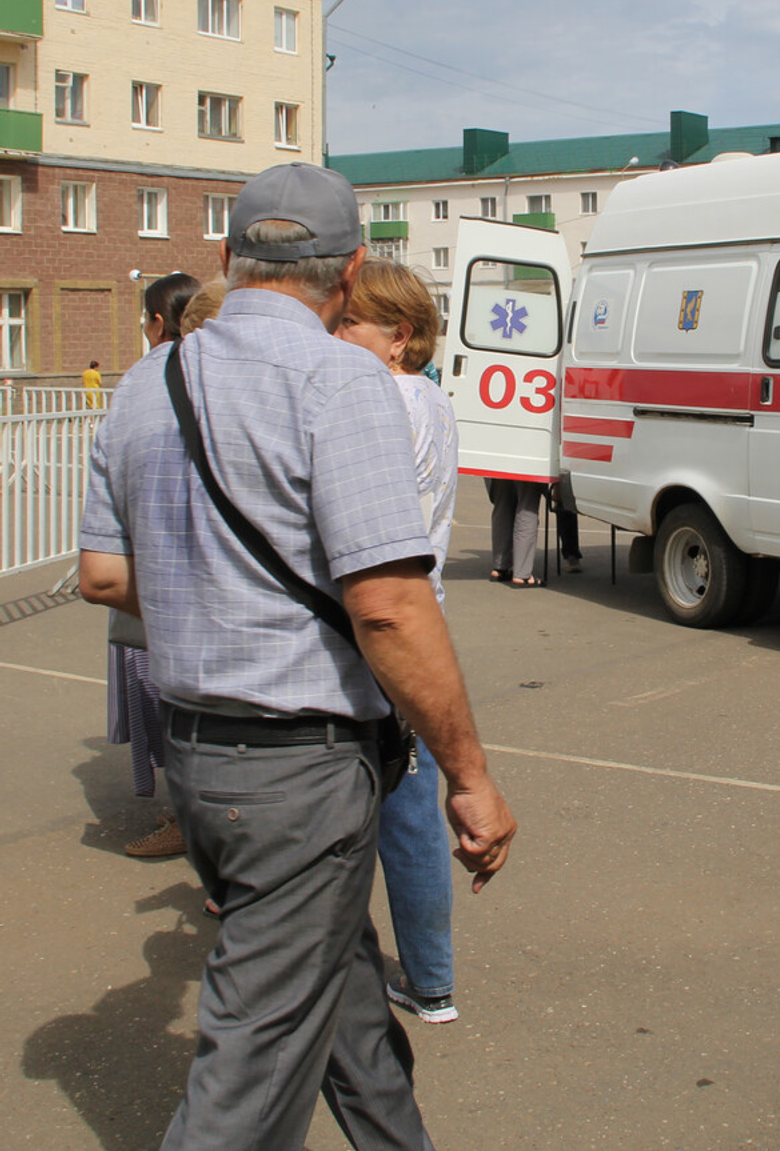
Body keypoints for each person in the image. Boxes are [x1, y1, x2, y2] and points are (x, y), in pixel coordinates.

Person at [78, 162, 516, 1150]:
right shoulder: (341, 379)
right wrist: (470, 777)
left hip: (198, 758)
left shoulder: (147, 382)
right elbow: (390, 607)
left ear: (227, 255)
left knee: (348, 1008)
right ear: (350, 268)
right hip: (300, 772)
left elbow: (104, 573)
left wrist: (215, 599)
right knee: (248, 1077)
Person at [335, 260, 461, 1024]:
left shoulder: (380, 401)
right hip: (423, 622)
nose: (336, 333)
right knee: (411, 811)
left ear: (398, 335)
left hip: (380, 629)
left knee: (366, 812)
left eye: (350, 322)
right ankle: (429, 976)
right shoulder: (431, 398)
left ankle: (362, 976)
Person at [115, 272, 201, 859]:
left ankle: (190, 821)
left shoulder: (145, 380)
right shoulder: (217, 372)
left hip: (156, 568)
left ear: (154, 322)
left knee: (168, 699)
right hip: (212, 569)